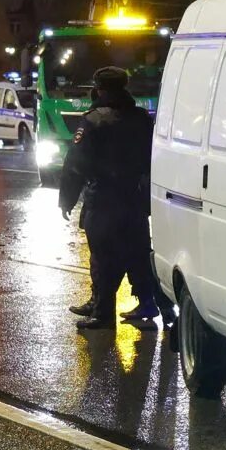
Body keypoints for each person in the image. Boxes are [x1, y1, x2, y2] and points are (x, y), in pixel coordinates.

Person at [58, 66, 172, 331]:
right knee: (138, 253)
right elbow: (153, 159)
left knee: (103, 255)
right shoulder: (142, 118)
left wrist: (67, 199)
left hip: (104, 199)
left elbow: (75, 164)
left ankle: (102, 313)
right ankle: (149, 304)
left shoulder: (93, 120)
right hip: (135, 198)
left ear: (98, 88)